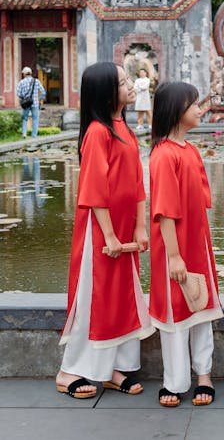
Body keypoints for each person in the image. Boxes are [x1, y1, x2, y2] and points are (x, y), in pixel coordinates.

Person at [54, 62, 153, 400]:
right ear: (105, 92)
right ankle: (70, 371)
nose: (131, 86)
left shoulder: (123, 126)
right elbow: (94, 189)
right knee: (95, 298)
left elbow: (138, 183)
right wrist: (109, 235)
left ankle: (113, 368)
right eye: (123, 82)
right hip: (102, 231)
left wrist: (140, 226)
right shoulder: (97, 132)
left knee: (123, 297)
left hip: (125, 228)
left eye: (129, 80)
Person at [149, 82, 222, 408]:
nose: (200, 110)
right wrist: (174, 257)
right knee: (175, 312)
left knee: (201, 305)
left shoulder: (190, 151)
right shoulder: (164, 155)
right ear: (177, 111)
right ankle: (175, 380)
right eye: (194, 105)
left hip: (198, 242)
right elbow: (165, 211)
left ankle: (204, 374)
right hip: (174, 247)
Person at [17, 66, 47, 138]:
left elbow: (18, 94)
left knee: (25, 119)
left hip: (26, 104)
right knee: (35, 119)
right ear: (30, 73)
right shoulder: (36, 81)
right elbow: (43, 92)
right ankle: (34, 136)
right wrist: (39, 99)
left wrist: (23, 98)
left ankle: (24, 134)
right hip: (35, 103)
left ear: (24, 74)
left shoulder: (21, 82)